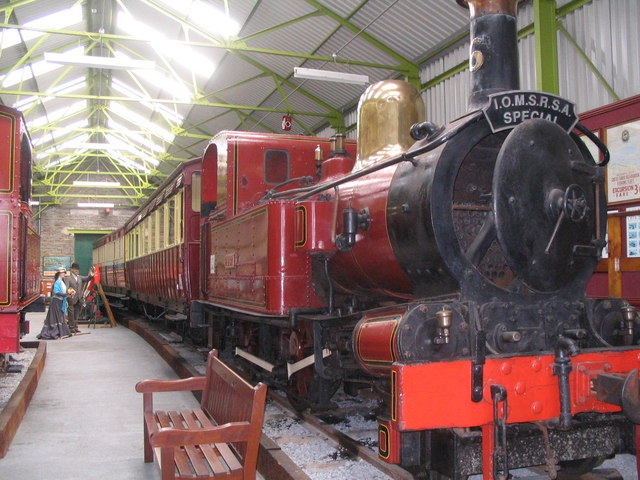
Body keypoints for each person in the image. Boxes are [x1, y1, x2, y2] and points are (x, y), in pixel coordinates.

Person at [37, 268, 72, 340]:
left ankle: (62, 332)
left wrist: (67, 294)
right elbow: (56, 292)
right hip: (56, 302)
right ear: (59, 273)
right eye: (63, 273)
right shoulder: (57, 282)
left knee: (60, 316)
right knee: (57, 316)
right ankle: (57, 332)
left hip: (60, 301)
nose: (64, 274)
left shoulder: (62, 282)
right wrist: (66, 294)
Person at [64, 262, 95, 334]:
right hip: (71, 299)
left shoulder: (80, 277)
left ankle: (75, 327)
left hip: (79, 299)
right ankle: (71, 328)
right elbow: (66, 288)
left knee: (77, 314)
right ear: (71, 270)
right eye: (75, 269)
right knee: (71, 314)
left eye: (77, 269)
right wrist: (69, 295)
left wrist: (91, 274)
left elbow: (87, 278)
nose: (76, 270)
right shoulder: (68, 278)